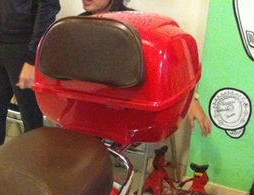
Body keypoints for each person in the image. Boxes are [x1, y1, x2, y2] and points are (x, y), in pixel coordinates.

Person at [80, 0, 212, 137]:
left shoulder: (136, 24)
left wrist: (191, 100)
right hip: (89, 105)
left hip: (127, 108)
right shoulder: (76, 25)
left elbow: (175, 64)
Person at [0, 0, 61, 156]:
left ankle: (34, 165)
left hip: (23, 48)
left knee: (30, 116)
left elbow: (48, 8)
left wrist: (31, 59)